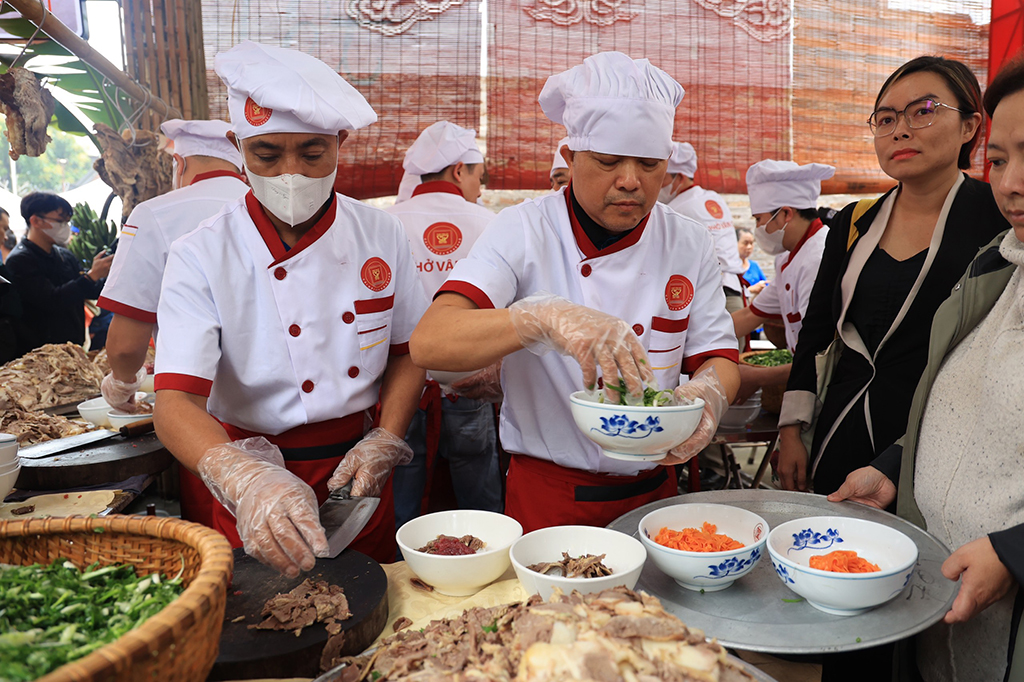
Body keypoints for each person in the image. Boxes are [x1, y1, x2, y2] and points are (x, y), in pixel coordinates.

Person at [409, 52, 740, 533]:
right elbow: (430, 342)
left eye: (649, 164)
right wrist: (539, 319)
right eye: (608, 161)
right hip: (549, 495)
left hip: (657, 494)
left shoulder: (687, 241)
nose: (630, 181)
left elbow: (719, 358)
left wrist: (708, 396)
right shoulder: (523, 229)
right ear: (570, 157)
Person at [153, 41, 429, 574]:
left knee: (372, 616)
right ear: (238, 145)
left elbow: (407, 351)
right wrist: (243, 480)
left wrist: (387, 437)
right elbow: (175, 403)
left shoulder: (381, 233)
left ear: (340, 143)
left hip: (356, 475)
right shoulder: (202, 252)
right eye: (266, 154)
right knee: (264, 623)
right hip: (251, 473)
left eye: (311, 152)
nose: (290, 174)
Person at [828, 56, 1024, 682]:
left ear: (966, 125)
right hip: (931, 556)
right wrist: (895, 469)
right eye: (1001, 162)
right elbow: (967, 406)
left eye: (922, 113)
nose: (1014, 183)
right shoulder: (1000, 267)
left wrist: (1016, 553)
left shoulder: (988, 228)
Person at [777, 56, 1008, 497]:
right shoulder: (853, 222)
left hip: (940, 444)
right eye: (886, 118)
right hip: (840, 432)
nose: (900, 130)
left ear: (969, 126)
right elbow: (817, 332)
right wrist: (792, 429)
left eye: (923, 111)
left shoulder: (997, 220)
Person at [96, 118, 248, 528]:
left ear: (179, 163)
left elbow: (127, 343)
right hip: (310, 427)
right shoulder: (269, 205)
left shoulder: (157, 214)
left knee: (223, 547)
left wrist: (122, 385)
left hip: (201, 417)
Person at [385, 121, 502, 531]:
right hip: (469, 381)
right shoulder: (489, 224)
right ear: (458, 171)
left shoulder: (387, 223)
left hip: (401, 387)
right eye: (478, 176)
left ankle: (400, 568)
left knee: (403, 488)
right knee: (479, 492)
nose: (480, 189)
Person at [731, 160, 835, 403]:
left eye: (759, 219)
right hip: (806, 383)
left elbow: (823, 355)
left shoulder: (818, 258)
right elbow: (750, 316)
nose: (757, 228)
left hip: (826, 389)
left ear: (786, 214)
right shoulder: (788, 258)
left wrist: (757, 378)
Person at [659, 142, 746, 348]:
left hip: (706, 297)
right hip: (734, 293)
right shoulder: (713, 198)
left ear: (679, 177)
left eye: (660, 176)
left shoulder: (675, 209)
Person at [5, 192, 112, 350]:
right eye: (60, 221)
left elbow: (87, 291)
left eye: (67, 222)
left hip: (72, 346)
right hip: (40, 352)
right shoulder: (20, 260)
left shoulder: (64, 255)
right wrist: (91, 277)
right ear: (35, 221)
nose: (65, 228)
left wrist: (103, 276)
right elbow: (52, 300)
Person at [736, 228, 766, 296]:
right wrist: (751, 289)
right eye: (745, 243)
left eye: (751, 243)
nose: (749, 247)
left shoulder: (754, 265)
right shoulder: (731, 268)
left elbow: (766, 284)